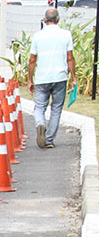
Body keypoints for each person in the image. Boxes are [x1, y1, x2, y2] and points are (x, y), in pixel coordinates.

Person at [29, 8, 76, 149]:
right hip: (60, 76)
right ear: (58, 19)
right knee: (56, 108)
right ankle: (49, 139)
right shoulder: (66, 35)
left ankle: (40, 124)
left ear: (44, 20)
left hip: (42, 77)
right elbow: (70, 58)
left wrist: (30, 79)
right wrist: (74, 77)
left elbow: (32, 60)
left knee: (39, 107)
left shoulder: (37, 36)